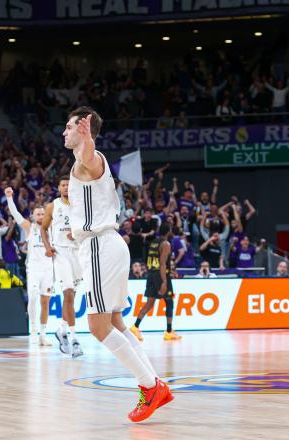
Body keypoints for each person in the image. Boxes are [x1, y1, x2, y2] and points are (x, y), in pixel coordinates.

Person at [63, 106, 172, 423]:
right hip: (107, 243)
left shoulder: (89, 160)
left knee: (97, 327)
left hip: (99, 247)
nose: (64, 132)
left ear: (84, 129)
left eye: (70, 127)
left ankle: (149, 387)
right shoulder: (84, 167)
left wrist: (86, 140)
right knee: (117, 323)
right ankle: (154, 384)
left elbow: (89, 158)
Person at [40, 176, 84, 357]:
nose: (66, 187)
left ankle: (61, 330)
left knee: (72, 296)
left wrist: (78, 235)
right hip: (60, 253)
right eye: (63, 185)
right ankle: (74, 340)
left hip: (78, 253)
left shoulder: (80, 205)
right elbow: (43, 228)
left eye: (69, 185)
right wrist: (48, 247)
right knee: (67, 294)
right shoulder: (52, 206)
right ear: (59, 188)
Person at [5, 187, 54, 347]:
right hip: (33, 269)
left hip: (49, 269)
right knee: (33, 297)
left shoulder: (53, 228)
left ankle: (43, 334)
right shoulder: (30, 227)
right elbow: (15, 214)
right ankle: (32, 329)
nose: (41, 216)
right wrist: (10, 198)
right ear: (33, 216)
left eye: (43, 213)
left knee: (45, 302)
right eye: (38, 214)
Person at [130, 224, 181, 342]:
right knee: (169, 302)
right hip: (161, 275)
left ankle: (135, 326)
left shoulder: (154, 242)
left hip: (151, 274)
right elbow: (162, 263)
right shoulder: (166, 244)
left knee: (150, 303)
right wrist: (164, 281)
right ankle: (168, 332)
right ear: (169, 232)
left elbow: (151, 260)